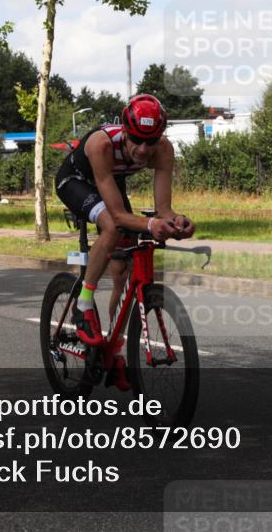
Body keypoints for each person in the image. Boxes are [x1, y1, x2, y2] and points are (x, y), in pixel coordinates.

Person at [55, 94, 196, 390]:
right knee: (112, 227)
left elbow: (163, 210)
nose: (143, 150)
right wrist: (149, 224)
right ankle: (83, 304)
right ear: (126, 130)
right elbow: (118, 216)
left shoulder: (163, 150)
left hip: (110, 182)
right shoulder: (102, 144)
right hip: (76, 180)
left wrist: (177, 222)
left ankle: (111, 351)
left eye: (152, 141)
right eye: (136, 140)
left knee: (121, 272)